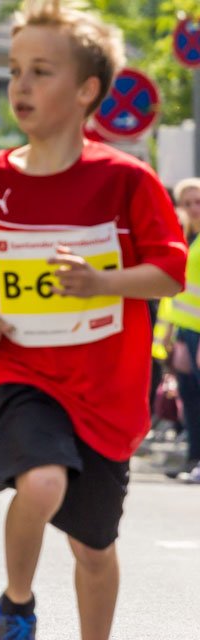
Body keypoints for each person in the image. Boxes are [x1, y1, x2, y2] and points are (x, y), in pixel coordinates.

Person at [0, 2, 187, 638]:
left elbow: (170, 270)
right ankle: (17, 603)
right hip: (22, 369)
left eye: (41, 72)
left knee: (93, 549)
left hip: (107, 391)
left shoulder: (126, 181)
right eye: (15, 69)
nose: (21, 85)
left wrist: (104, 282)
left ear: (86, 91)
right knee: (41, 480)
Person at [161, 177, 200, 483]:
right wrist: (171, 333)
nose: (194, 208)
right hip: (186, 331)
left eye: (198, 201)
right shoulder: (186, 237)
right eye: (187, 203)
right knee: (190, 400)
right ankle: (194, 458)